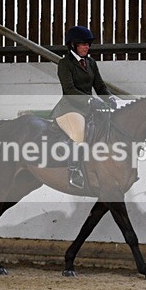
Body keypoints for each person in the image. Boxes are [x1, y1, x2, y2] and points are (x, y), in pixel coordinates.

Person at [51, 25, 117, 189]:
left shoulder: (91, 62)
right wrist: (89, 100)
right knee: (79, 133)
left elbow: (100, 86)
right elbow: (69, 89)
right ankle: (74, 171)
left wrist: (109, 98)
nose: (86, 47)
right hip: (69, 109)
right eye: (82, 44)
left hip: (88, 108)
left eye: (88, 44)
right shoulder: (65, 64)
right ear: (73, 45)